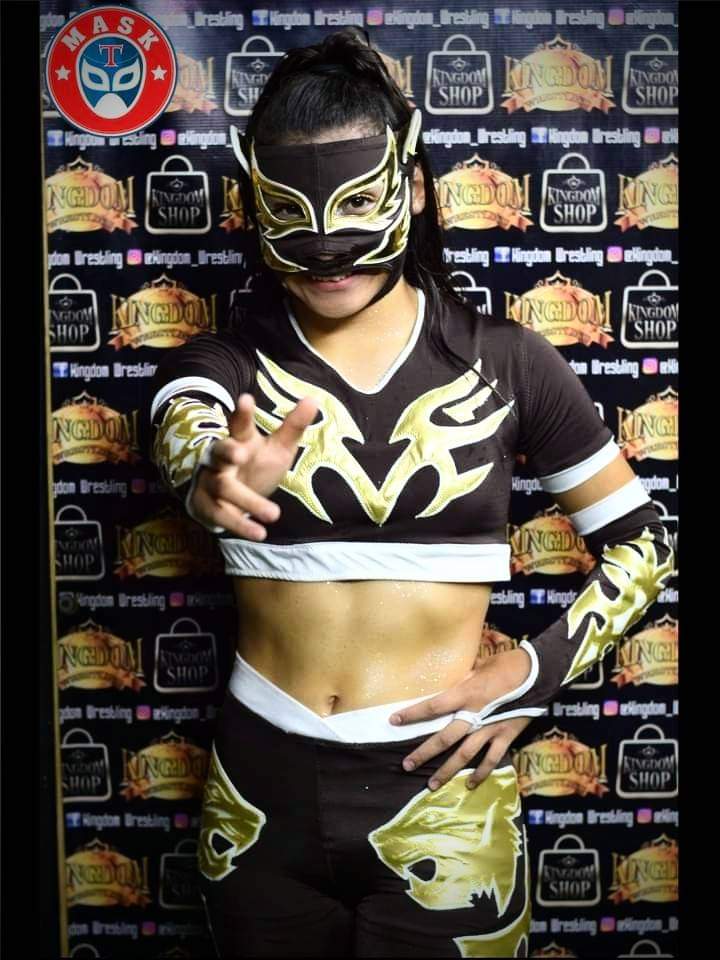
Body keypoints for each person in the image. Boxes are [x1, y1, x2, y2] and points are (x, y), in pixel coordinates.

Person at [148, 29, 675, 959]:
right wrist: (208, 477)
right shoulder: (226, 366)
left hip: (445, 799)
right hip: (259, 795)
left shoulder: (508, 362)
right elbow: (185, 424)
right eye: (292, 208)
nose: (328, 244)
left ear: (415, 185)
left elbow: (646, 543)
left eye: (358, 201)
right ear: (255, 202)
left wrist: (533, 673)